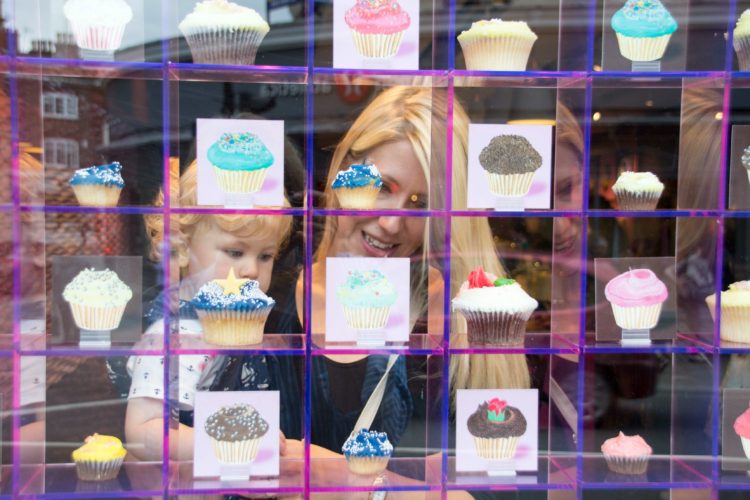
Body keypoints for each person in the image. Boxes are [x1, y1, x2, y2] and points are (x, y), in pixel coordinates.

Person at [124, 160, 300, 461]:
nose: (251, 270)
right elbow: (143, 431)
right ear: (182, 245)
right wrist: (239, 441)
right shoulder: (171, 335)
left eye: (266, 255)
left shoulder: (249, 325)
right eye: (235, 252)